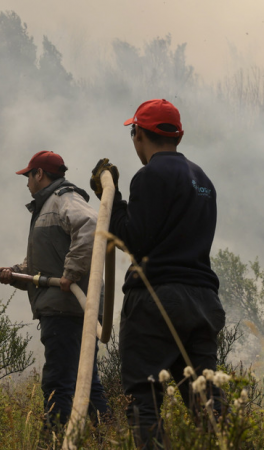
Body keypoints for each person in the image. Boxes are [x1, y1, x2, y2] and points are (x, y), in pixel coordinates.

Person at [91, 99, 225, 448]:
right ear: (177, 135)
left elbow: (134, 239)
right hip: (202, 304)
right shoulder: (204, 180)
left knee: (144, 401)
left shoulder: (150, 175)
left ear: (138, 135)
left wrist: (112, 197)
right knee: (209, 405)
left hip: (156, 301)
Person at [0, 150, 109, 434]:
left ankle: (55, 440)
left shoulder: (64, 198)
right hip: (68, 307)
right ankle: (106, 437)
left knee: (58, 382)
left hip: (67, 310)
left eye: (28, 176)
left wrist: (71, 274)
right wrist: (15, 274)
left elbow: (91, 227)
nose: (26, 183)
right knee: (86, 380)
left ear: (40, 174)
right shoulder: (48, 206)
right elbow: (43, 267)